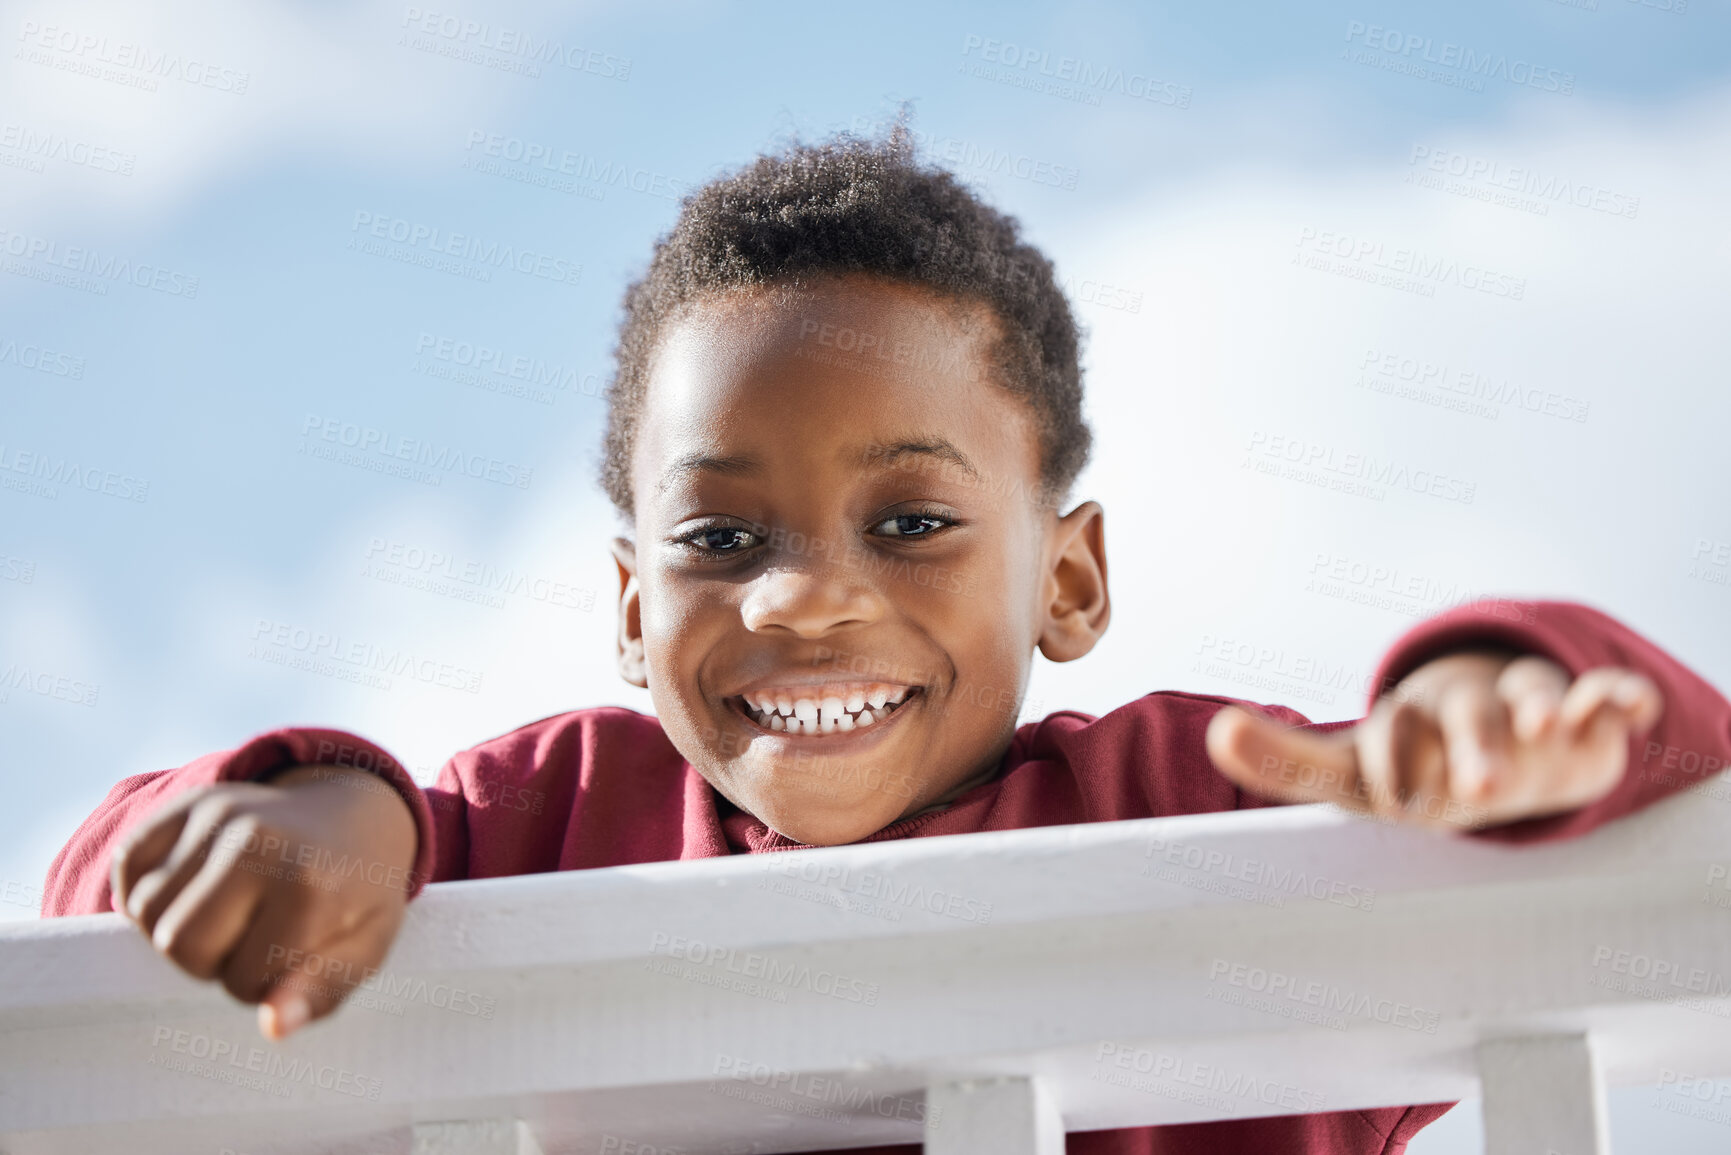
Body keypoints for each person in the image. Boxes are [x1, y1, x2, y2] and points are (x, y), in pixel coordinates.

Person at [42, 127, 1731, 1155]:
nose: (803, 599)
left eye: (914, 523)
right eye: (720, 539)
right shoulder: (534, 826)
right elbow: (96, 902)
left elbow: (1688, 772)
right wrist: (316, 809)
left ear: (1066, 581)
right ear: (634, 612)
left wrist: (1492, 708)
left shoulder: (1199, 801)